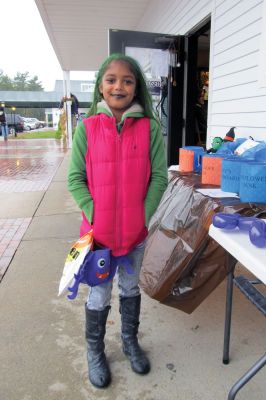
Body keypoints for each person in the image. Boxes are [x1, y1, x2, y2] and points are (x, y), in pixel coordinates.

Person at [68, 53, 168, 389]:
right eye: (111, 80)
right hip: (98, 237)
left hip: (135, 236)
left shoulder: (150, 128)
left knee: (129, 288)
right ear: (100, 85)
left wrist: (144, 214)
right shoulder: (88, 128)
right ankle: (94, 351)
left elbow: (158, 177)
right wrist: (93, 211)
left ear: (136, 87)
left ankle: (129, 342)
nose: (119, 86)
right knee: (98, 296)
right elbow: (75, 179)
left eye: (127, 80)